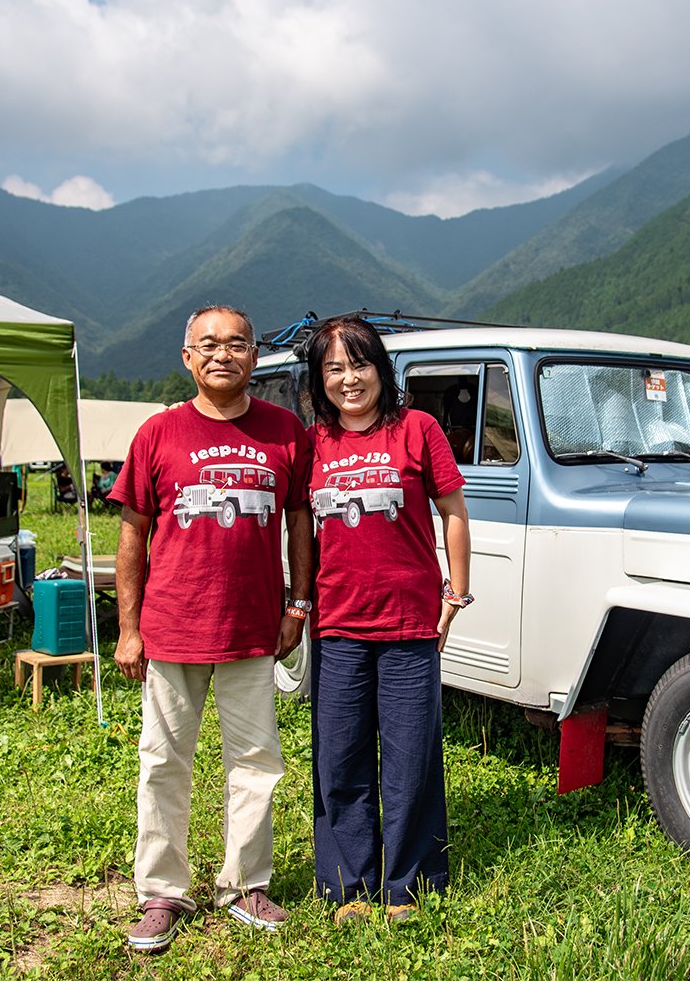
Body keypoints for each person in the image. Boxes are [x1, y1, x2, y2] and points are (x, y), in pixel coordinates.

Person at [110, 305, 314, 954]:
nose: (222, 354)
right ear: (187, 357)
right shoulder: (157, 434)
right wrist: (127, 629)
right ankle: (162, 891)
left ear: (256, 356)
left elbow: (302, 524)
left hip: (255, 630)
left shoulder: (286, 431)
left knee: (256, 763)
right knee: (163, 763)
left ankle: (244, 883)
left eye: (236, 344)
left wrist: (297, 606)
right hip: (171, 627)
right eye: (208, 344)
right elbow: (132, 537)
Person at [303, 315, 472, 926]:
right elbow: (299, 531)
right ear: (319, 380)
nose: (349, 379)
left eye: (360, 364)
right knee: (341, 759)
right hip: (338, 626)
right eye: (334, 369)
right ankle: (349, 886)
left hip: (408, 625)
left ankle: (409, 885)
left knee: (411, 759)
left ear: (381, 368)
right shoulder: (312, 444)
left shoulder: (417, 429)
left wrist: (455, 596)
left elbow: (453, 512)